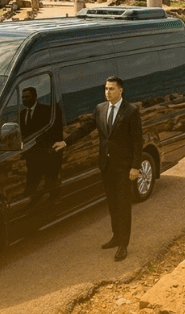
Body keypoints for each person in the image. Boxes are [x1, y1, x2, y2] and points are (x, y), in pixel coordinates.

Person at [55, 76, 143, 262]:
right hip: (106, 166)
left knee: (123, 205)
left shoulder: (131, 111)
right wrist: (66, 142)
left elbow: (137, 141)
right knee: (112, 203)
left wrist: (135, 166)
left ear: (121, 90)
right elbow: (85, 129)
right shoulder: (100, 109)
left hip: (124, 167)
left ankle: (123, 244)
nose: (107, 92)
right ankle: (116, 236)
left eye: (111, 89)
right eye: (106, 89)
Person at [20, 87, 63, 203]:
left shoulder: (45, 110)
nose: (24, 100)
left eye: (27, 97)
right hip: (31, 158)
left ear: (35, 97)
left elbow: (54, 132)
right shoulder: (22, 114)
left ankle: (52, 203)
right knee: (32, 184)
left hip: (47, 155)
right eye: (22, 97)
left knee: (50, 183)